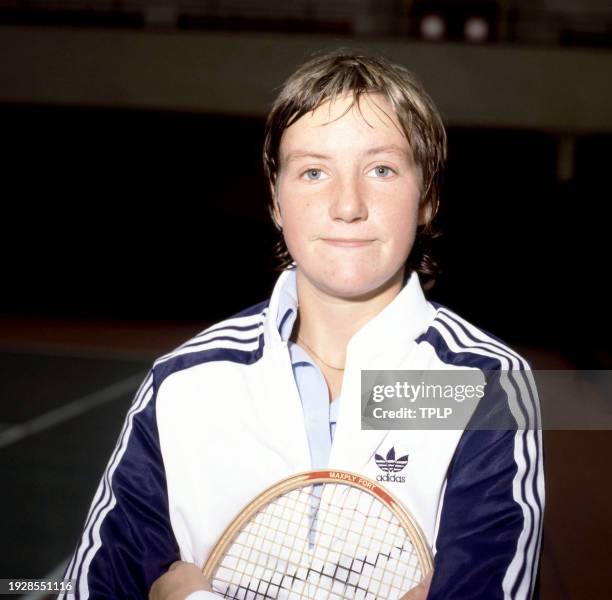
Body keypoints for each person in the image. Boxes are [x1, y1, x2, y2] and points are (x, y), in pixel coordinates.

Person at [61, 48, 544, 600]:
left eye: (381, 170)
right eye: (314, 171)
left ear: (427, 197)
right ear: (274, 198)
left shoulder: (485, 386)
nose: (347, 205)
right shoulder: (182, 382)